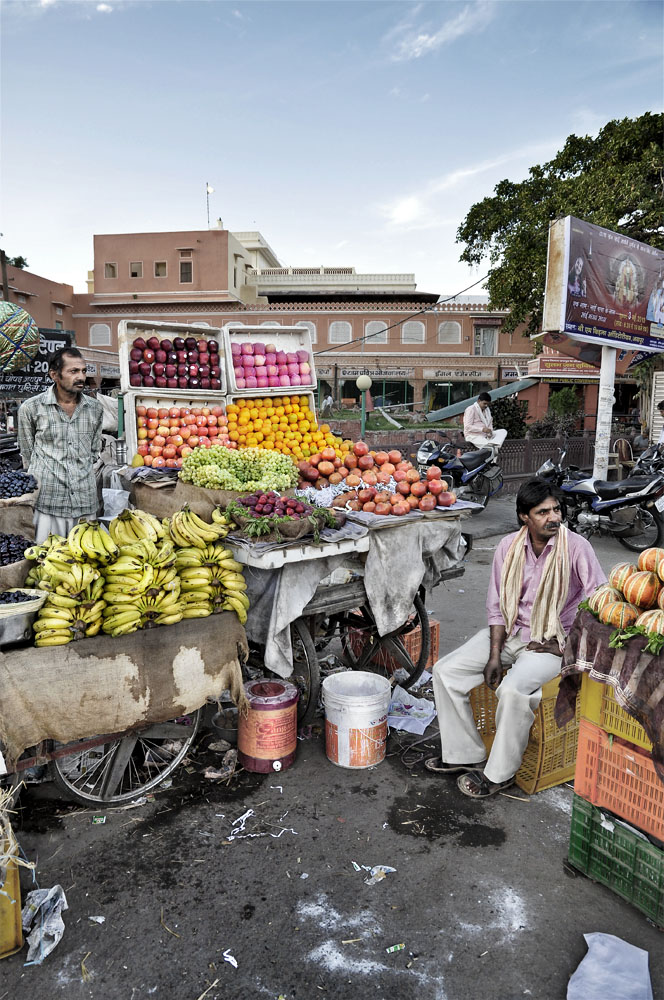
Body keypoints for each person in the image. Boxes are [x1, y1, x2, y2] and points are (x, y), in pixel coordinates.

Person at [426, 479, 605, 798]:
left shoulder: (576, 547)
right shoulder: (508, 547)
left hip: (552, 641)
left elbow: (597, 601)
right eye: (542, 512)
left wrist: (565, 642)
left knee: (512, 691)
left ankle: (499, 775)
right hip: (511, 633)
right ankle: (465, 753)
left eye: (556, 510)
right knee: (445, 671)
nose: (554, 517)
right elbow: (496, 607)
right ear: (524, 516)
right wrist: (495, 654)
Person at [18, 347, 103, 543]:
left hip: (85, 501)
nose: (81, 376)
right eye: (73, 371)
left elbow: (93, 451)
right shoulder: (31, 408)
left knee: (85, 563)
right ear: (54, 375)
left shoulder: (95, 408)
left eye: (83, 370)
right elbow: (28, 452)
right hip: (49, 502)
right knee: (48, 562)